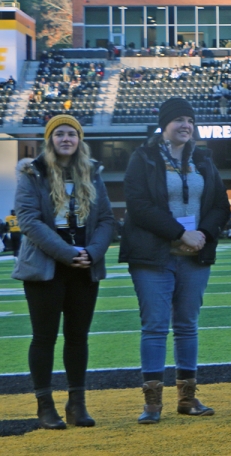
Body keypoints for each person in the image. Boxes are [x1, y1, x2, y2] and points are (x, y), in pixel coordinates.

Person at [120, 98, 231, 424]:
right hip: (152, 256)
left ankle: (188, 398)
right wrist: (179, 233)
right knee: (155, 327)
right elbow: (138, 205)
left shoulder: (204, 159)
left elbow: (221, 206)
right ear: (164, 124)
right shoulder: (143, 158)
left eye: (189, 120)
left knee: (187, 327)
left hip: (193, 255)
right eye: (178, 120)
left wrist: (203, 234)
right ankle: (152, 404)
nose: (185, 125)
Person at [15, 115, 115, 429]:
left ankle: (77, 403)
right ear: (50, 139)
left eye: (71, 134)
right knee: (44, 338)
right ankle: (45, 406)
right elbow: (29, 220)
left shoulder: (92, 171)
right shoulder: (32, 171)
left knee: (77, 338)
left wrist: (92, 252)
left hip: (84, 266)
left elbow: (106, 220)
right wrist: (67, 253)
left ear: (79, 139)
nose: (66, 139)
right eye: (59, 134)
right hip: (46, 267)